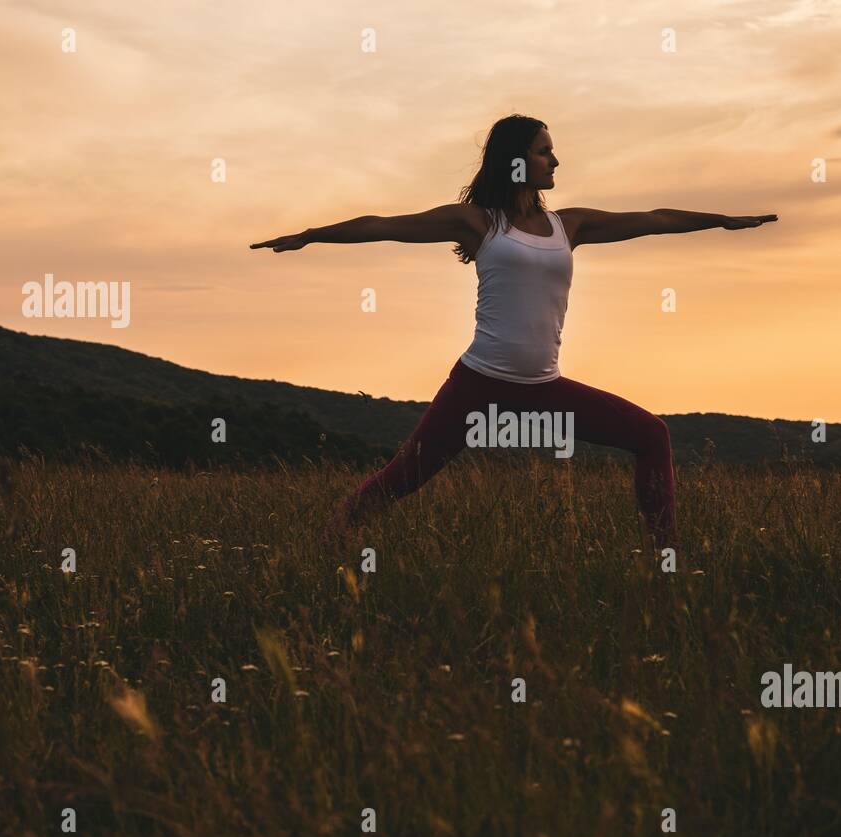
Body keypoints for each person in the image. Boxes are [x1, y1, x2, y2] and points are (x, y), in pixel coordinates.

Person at [251, 114, 776, 551]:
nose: (555, 161)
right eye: (546, 151)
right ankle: (325, 545)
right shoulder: (477, 222)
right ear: (518, 161)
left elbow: (655, 218)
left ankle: (667, 559)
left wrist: (723, 221)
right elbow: (381, 225)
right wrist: (312, 236)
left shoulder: (571, 225)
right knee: (398, 482)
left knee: (651, 435)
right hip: (479, 385)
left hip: (546, 388)